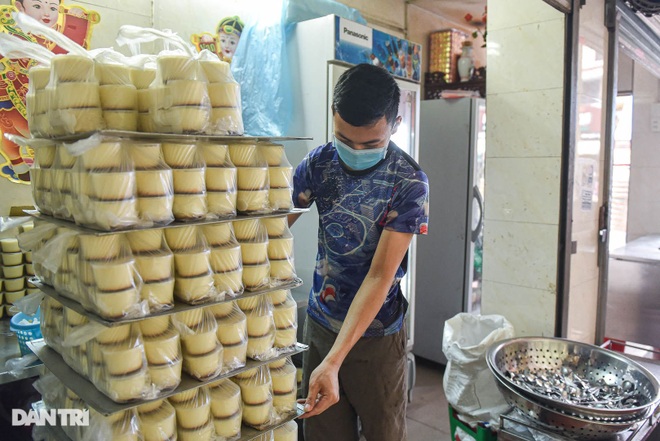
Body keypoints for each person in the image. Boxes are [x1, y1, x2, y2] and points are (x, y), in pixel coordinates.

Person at [289, 63, 429, 441]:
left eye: (370, 144)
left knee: (383, 432)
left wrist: (335, 360)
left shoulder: (408, 182)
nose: (354, 152)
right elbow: (271, 226)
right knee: (321, 433)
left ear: (395, 124)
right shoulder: (319, 163)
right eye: (344, 139)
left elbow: (381, 275)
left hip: (377, 338)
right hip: (320, 325)